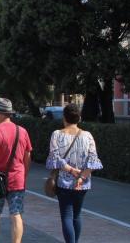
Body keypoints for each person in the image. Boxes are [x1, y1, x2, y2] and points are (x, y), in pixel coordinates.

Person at [46, 104, 103, 243]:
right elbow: (93, 159)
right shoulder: (87, 135)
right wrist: (82, 176)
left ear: (64, 117)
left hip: (63, 182)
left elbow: (55, 158)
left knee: (66, 216)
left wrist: (71, 170)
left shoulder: (57, 134)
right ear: (79, 117)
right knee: (76, 216)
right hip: (82, 183)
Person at [0, 98, 32, 243]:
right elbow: (28, 156)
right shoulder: (22, 131)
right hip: (17, 179)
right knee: (16, 214)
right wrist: (24, 175)